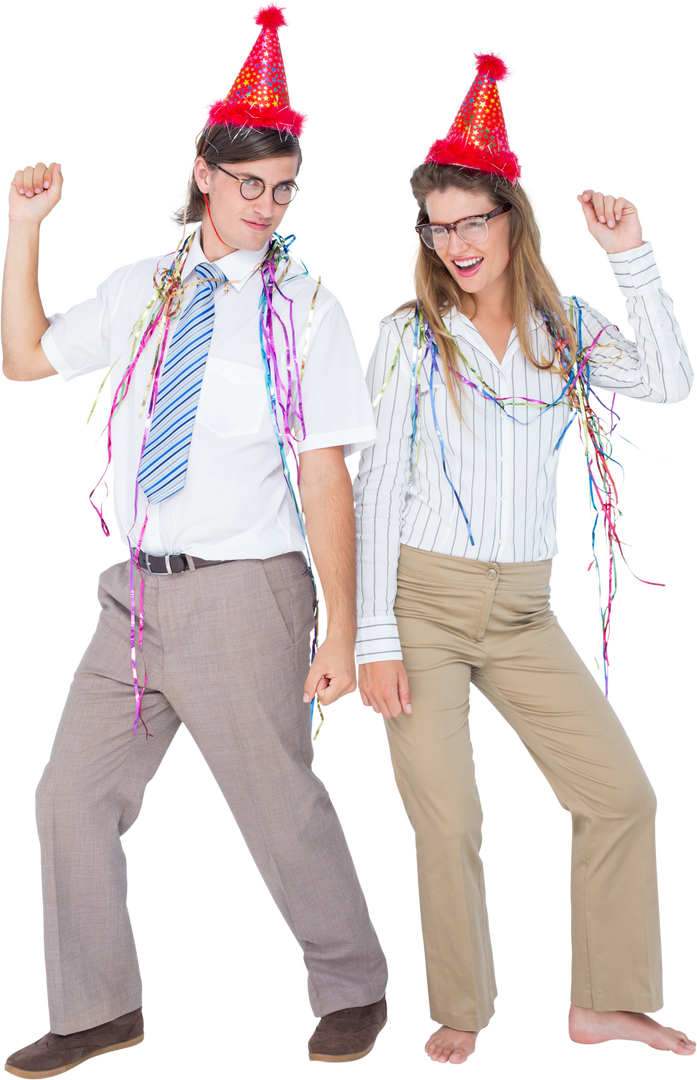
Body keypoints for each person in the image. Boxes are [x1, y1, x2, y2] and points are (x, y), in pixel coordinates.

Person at [1, 4, 390, 1075]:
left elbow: (325, 474)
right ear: (204, 173)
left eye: (284, 190)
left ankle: (354, 985)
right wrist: (24, 229)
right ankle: (99, 1009)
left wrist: (339, 632)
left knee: (276, 806)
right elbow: (27, 362)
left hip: (241, 591)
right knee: (65, 800)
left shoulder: (308, 311)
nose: (265, 206)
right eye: (247, 183)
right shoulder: (140, 287)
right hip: (131, 594)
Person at [354, 44, 696, 1066]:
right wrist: (372, 635)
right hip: (416, 600)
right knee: (450, 818)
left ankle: (603, 1002)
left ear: (515, 220)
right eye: (438, 224)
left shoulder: (567, 329)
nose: (456, 242)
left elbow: (672, 382)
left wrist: (631, 255)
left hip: (521, 608)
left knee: (621, 794)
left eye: (475, 220)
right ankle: (460, 1007)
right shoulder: (408, 339)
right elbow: (373, 496)